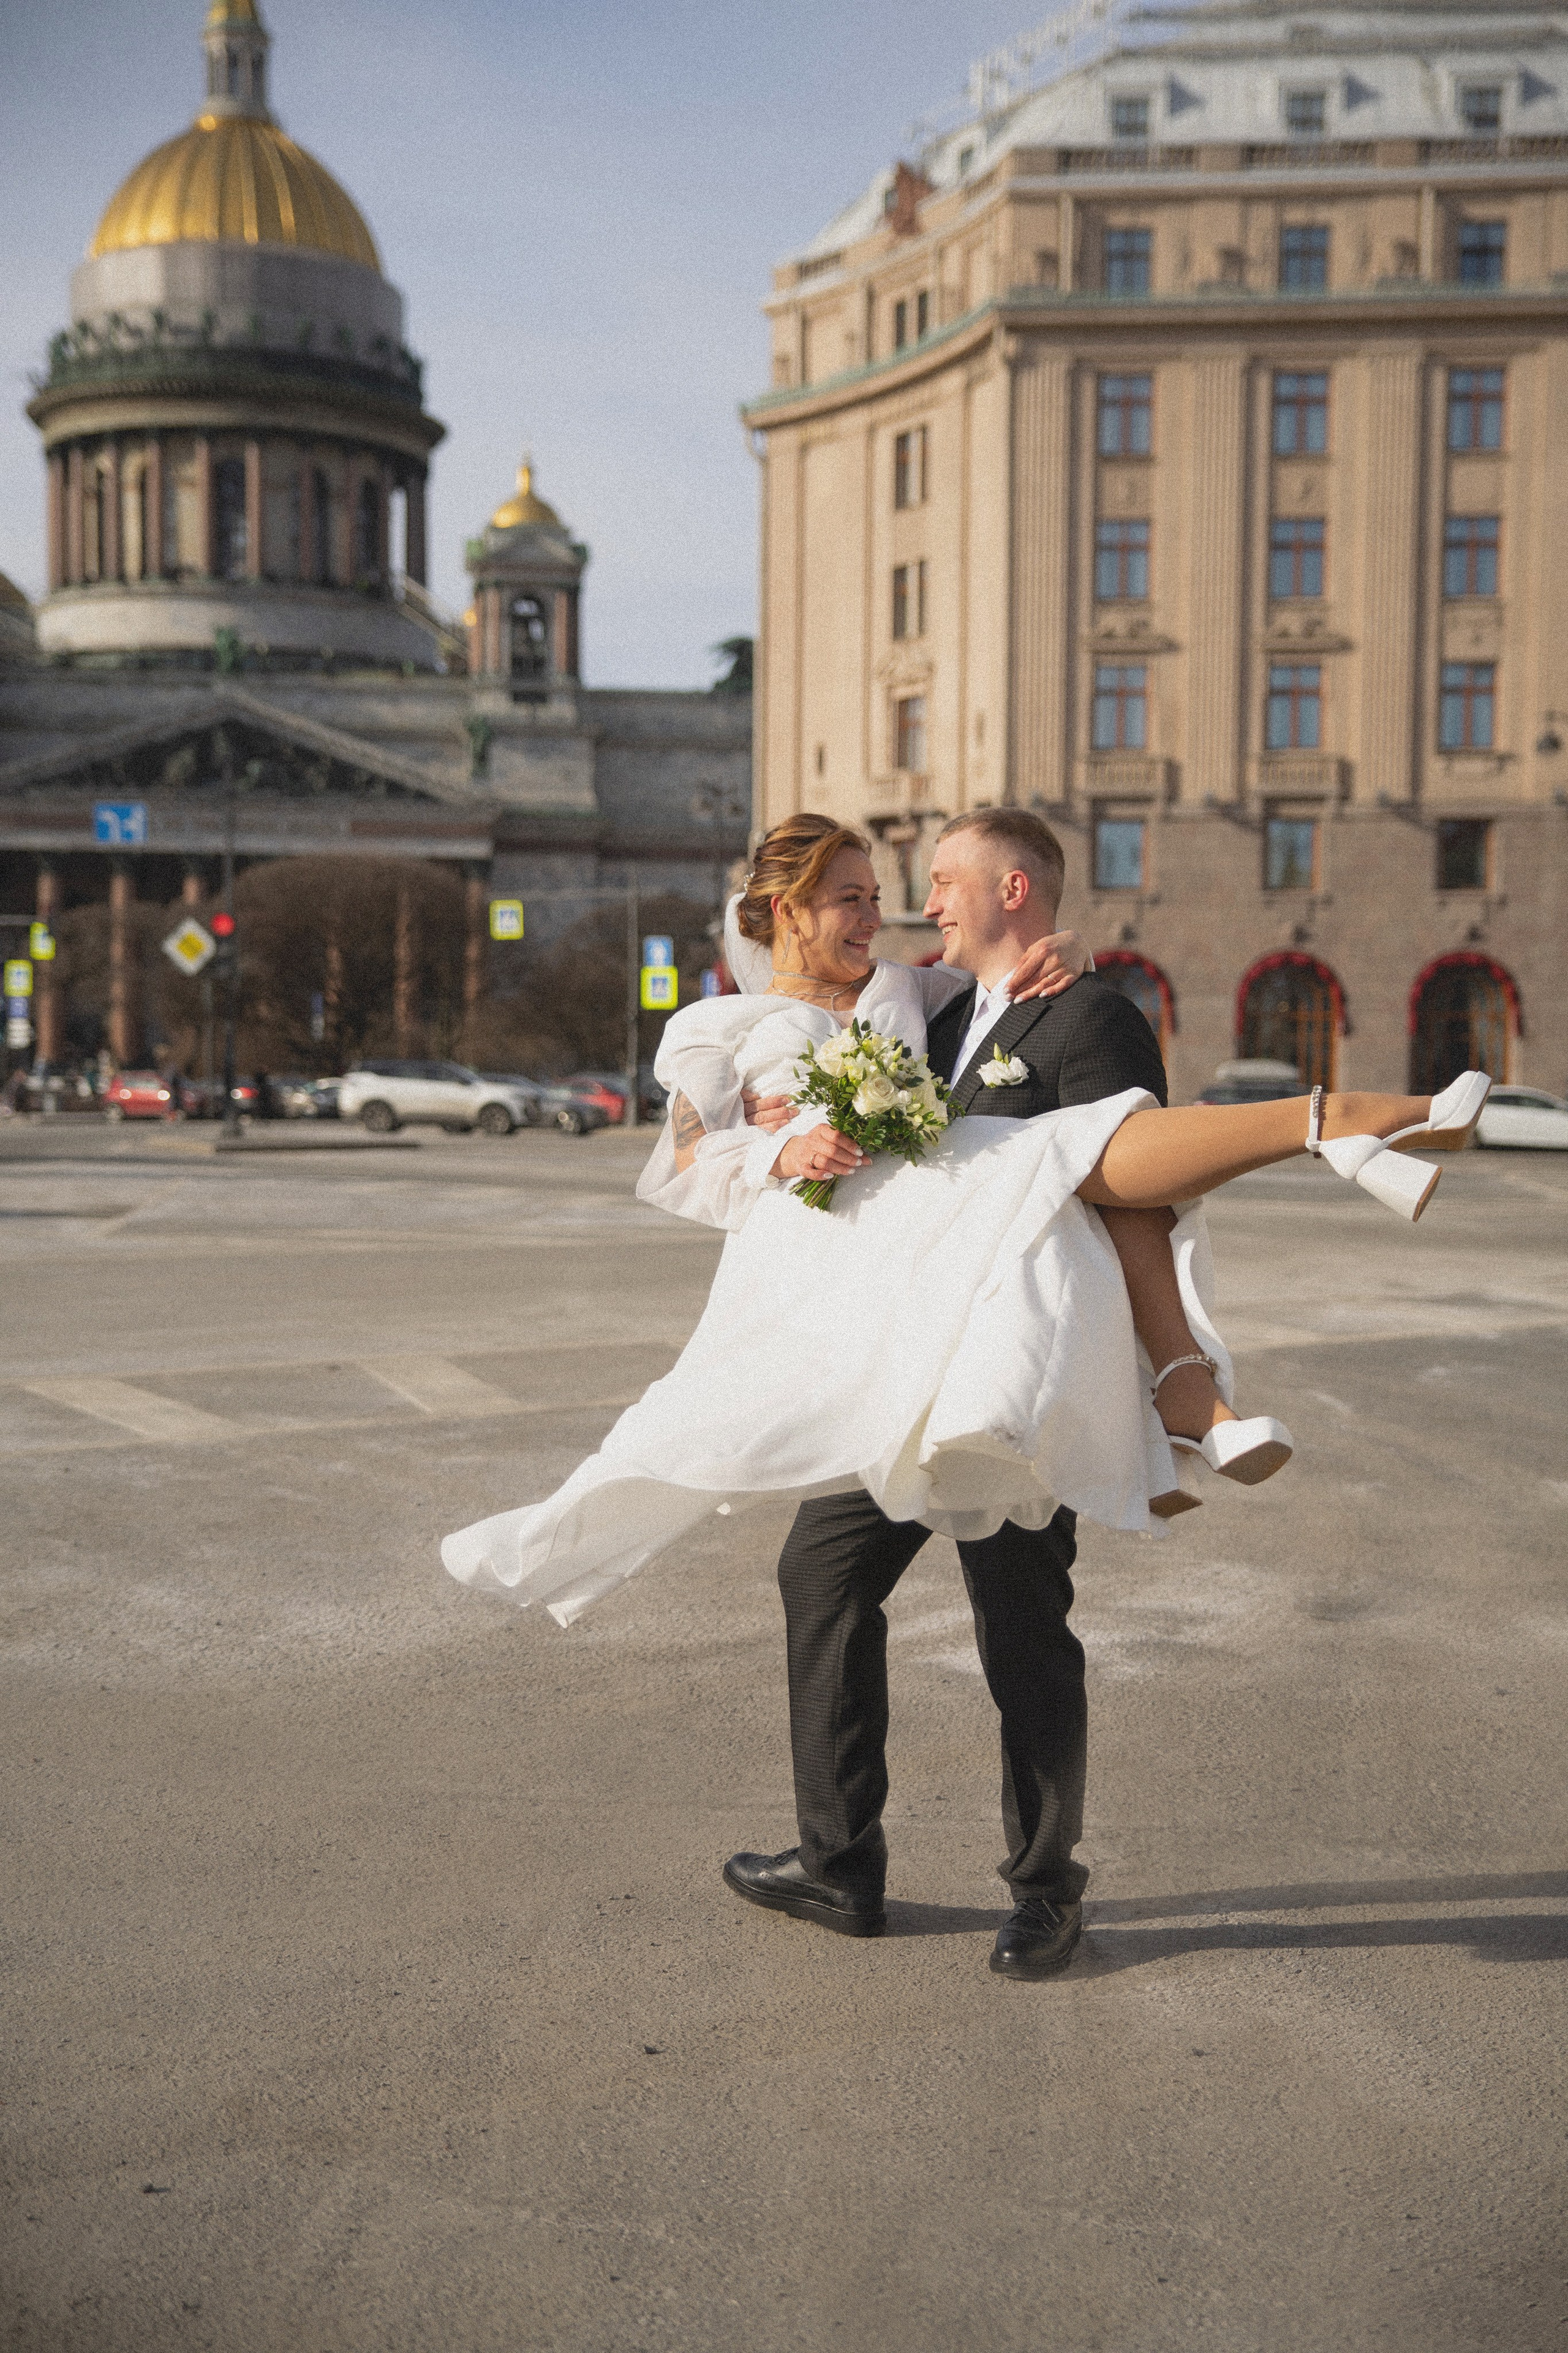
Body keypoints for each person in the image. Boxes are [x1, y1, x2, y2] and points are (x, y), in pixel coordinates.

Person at [442, 812, 1487, 1977]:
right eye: (851, 895)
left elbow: (1042, 1061)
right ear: (785, 911)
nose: (882, 914)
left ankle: (1046, 1890)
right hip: (866, 1359)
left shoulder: (921, 1000)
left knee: (1022, 1623)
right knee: (821, 1578)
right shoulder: (719, 1025)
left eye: (895, 890)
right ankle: (840, 1865)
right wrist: (778, 1153)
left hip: (991, 1363)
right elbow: (689, 1158)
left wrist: (1048, 973)